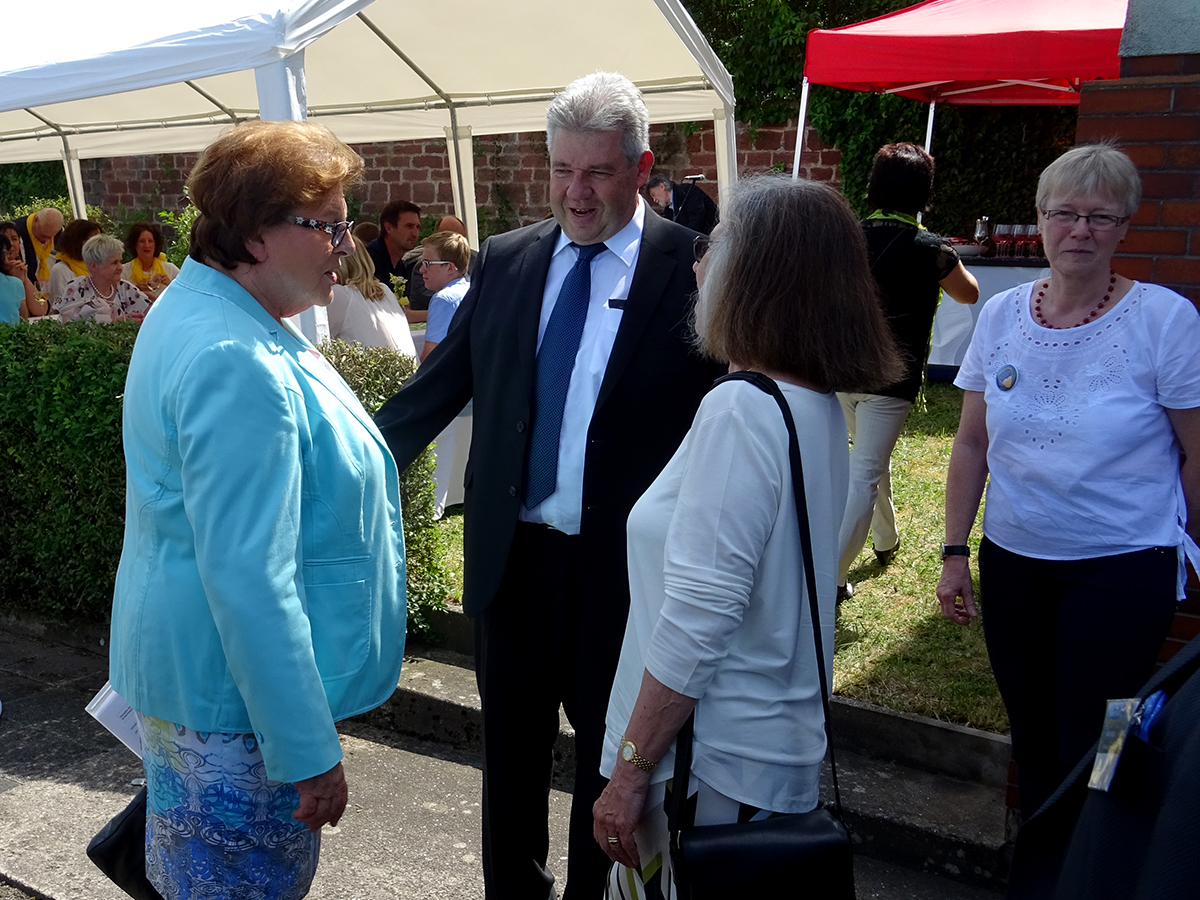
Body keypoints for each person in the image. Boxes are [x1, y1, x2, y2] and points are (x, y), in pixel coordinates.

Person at [374, 71, 726, 900]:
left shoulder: (691, 271)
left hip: (624, 575)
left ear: (640, 170)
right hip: (512, 565)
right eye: (562, 170)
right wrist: (349, 458)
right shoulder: (506, 258)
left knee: (610, 773)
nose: (576, 192)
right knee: (511, 769)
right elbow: (442, 386)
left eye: (598, 173)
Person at [108, 120, 407, 900]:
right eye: (331, 223)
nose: (348, 243)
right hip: (238, 718)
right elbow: (249, 578)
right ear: (256, 234)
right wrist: (305, 748)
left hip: (212, 696)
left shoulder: (206, 309)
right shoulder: (234, 357)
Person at [591, 175, 902, 898]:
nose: (700, 257)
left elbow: (699, 616)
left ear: (757, 275)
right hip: (764, 752)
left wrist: (630, 767)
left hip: (708, 767)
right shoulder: (810, 400)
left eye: (718, 240)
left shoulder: (742, 407)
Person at [937, 143, 1200, 825]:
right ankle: (1042, 863)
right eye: (1065, 214)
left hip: (1122, 567)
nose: (1080, 231)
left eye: (1100, 218)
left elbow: (1196, 454)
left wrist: (1184, 545)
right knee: (1035, 734)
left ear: (1124, 227)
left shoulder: (1164, 320)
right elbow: (970, 442)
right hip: (1016, 562)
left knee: (1104, 734)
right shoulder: (1000, 315)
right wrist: (955, 550)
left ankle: (1097, 857)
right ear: (1040, 219)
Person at [836, 143, 979, 602]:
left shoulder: (845, 237)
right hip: (890, 378)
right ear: (923, 192)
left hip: (840, 370)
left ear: (874, 186)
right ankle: (830, 576)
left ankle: (885, 538)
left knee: (866, 465)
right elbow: (970, 294)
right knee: (866, 472)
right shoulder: (929, 248)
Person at [327, 237, 418, 358]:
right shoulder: (384, 290)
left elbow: (314, 337)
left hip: (373, 374)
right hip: (408, 373)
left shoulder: (339, 295)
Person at [57, 234, 149, 322]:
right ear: (94, 266)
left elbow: (152, 314)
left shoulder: (126, 288)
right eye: (114, 263)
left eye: (120, 262)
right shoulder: (76, 289)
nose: (121, 267)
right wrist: (117, 323)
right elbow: (67, 327)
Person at [418, 230, 471, 361]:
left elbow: (430, 359)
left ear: (450, 268)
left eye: (427, 264)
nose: (421, 270)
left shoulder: (443, 299)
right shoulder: (470, 290)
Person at [366, 200, 424, 318]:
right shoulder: (370, 261)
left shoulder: (401, 266)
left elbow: (404, 308)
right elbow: (389, 311)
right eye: (409, 226)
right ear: (389, 227)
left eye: (417, 227)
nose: (415, 233)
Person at [47, 219, 102, 305]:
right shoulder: (61, 269)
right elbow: (64, 305)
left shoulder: (97, 267)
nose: (99, 245)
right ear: (79, 242)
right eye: (94, 241)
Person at [121, 221, 180, 301]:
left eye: (150, 241)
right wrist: (135, 290)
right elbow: (120, 299)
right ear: (134, 245)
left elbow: (184, 295)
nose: (147, 245)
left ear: (155, 244)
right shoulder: (124, 271)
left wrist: (170, 285)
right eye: (142, 241)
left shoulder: (170, 269)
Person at [646, 173, 719, 234]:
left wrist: (686, 239)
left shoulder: (686, 192)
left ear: (662, 187)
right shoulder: (668, 210)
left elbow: (697, 216)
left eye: (653, 195)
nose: (654, 200)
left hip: (710, 237)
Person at [13, 207, 62, 289]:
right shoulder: (15, 233)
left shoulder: (59, 233)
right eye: (42, 236)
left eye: (50, 238)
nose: (45, 241)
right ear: (36, 220)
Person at [0, 233, 39, 323]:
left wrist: (23, 280)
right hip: (10, 336)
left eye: (15, 239)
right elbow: (23, 321)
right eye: (6, 253)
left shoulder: (15, 283)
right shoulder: (15, 283)